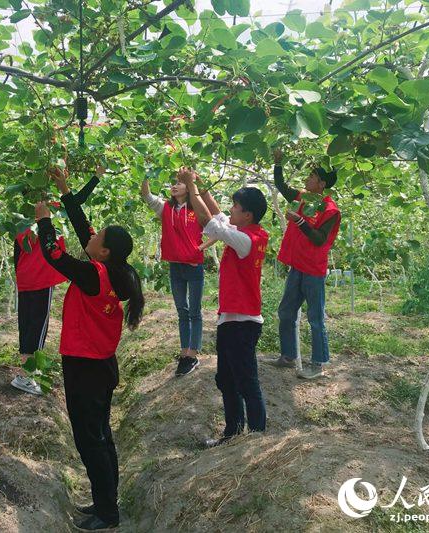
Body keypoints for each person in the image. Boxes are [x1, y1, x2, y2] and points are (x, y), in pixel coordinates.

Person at [37, 165, 144, 531]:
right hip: (99, 366)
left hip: (85, 368)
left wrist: (44, 219)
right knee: (100, 435)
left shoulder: (94, 275)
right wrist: (65, 191)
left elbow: (54, 255)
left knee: (90, 439)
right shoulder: (113, 271)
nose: (92, 235)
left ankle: (108, 514)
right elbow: (85, 231)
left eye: (99, 237)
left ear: (105, 250)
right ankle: (104, 502)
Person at [178, 168, 269, 448]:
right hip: (232, 320)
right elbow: (218, 217)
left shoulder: (245, 240)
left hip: (242, 322)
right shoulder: (245, 233)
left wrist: (191, 186)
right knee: (227, 379)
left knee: (246, 380)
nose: (231, 209)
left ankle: (256, 437)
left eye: (236, 206)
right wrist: (202, 188)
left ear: (247, 215)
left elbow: (208, 220)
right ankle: (233, 433)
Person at [10, 168, 103, 395]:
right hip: (41, 280)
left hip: (25, 281)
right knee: (38, 329)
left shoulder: (18, 221)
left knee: (27, 325)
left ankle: (25, 370)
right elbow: (76, 201)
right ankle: (29, 376)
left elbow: (16, 254)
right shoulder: (47, 214)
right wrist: (96, 177)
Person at [264, 148, 341, 379]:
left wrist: (299, 222)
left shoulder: (330, 210)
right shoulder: (301, 198)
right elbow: (281, 185)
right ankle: (288, 356)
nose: (306, 180)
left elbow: (319, 240)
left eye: (311, 177)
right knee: (286, 311)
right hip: (297, 266)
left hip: (314, 270)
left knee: (315, 318)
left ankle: (318, 364)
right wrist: (278, 163)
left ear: (321, 183)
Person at [140, 175, 208, 377]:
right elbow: (147, 195)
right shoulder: (166, 208)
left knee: (194, 311)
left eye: (179, 183)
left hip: (194, 266)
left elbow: (216, 228)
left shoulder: (197, 209)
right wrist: (145, 174)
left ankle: (193, 354)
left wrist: (200, 247)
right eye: (173, 182)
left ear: (188, 188)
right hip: (175, 266)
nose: (174, 186)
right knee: (182, 310)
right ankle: (184, 352)